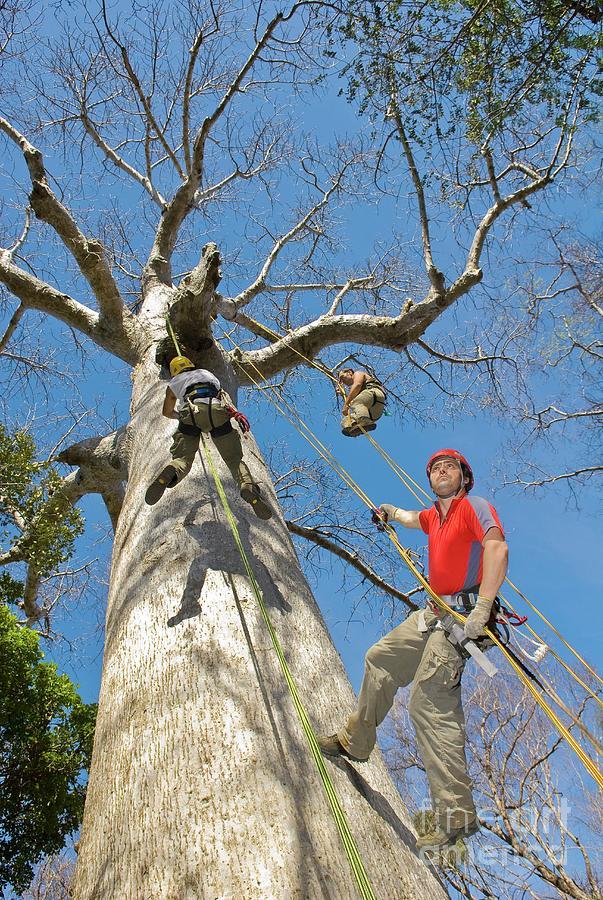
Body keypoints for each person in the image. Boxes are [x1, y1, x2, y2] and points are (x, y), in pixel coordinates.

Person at [317, 448, 509, 850]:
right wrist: (388, 511)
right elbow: (409, 517)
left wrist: (485, 606)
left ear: (464, 476)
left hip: (462, 616)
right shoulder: (433, 517)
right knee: (379, 658)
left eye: (450, 466)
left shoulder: (473, 507)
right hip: (433, 613)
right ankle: (357, 741)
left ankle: (456, 816)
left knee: (428, 702)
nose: (441, 470)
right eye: (435, 468)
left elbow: (496, 549)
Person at [145, 356, 272, 519]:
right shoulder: (207, 374)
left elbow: (166, 411)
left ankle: (171, 471)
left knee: (183, 459)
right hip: (217, 412)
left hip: (190, 414)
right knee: (234, 460)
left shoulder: (175, 381)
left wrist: (180, 417)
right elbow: (220, 394)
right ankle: (247, 486)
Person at [338, 368, 386, 437]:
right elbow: (355, 403)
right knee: (346, 420)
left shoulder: (357, 373)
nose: (342, 381)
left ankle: (365, 422)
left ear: (349, 372)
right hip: (374, 414)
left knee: (356, 402)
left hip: (374, 393)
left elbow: (357, 385)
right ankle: (354, 427)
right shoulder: (361, 395)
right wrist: (342, 394)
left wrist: (346, 404)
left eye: (342, 377)